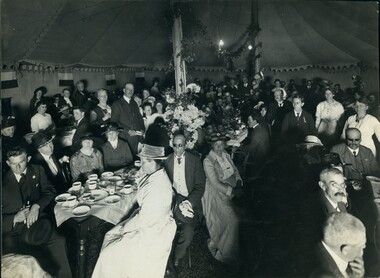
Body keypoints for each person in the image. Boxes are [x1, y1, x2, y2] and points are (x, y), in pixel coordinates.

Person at [92, 144, 176, 278]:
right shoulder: (158, 174)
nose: (141, 165)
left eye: (143, 162)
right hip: (152, 223)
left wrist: (124, 228)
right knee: (110, 234)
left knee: (108, 253)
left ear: (154, 162)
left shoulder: (157, 186)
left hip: (152, 233)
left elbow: (144, 220)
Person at [2, 146, 72, 278]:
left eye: (21, 162)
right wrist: (14, 218)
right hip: (13, 233)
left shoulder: (37, 170)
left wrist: (37, 206)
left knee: (59, 241)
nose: (17, 167)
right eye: (13, 164)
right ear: (7, 163)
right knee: (24, 262)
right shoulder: (3, 183)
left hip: (37, 225)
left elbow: (50, 191)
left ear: (28, 159)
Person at [164, 134, 206, 266]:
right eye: (175, 145)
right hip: (173, 201)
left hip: (190, 202)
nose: (177, 149)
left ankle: (176, 257)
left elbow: (200, 186)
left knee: (187, 233)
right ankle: (162, 257)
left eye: (180, 145)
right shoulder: (167, 160)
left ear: (186, 145)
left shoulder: (195, 160)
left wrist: (189, 202)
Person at [202, 132, 243, 265]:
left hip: (232, 187)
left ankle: (234, 243)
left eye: (221, 145)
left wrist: (238, 181)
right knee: (232, 219)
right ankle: (226, 252)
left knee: (243, 212)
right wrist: (233, 192)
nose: (220, 148)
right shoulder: (208, 160)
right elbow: (215, 183)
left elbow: (235, 170)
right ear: (212, 146)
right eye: (217, 145)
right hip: (216, 192)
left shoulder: (225, 155)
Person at [310, 212, 366, 278]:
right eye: (361, 248)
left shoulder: (324, 250)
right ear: (345, 250)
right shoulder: (325, 275)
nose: (361, 253)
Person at [111, 83, 145, 155]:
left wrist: (142, 129)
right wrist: (128, 131)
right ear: (124, 90)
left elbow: (140, 119)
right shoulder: (117, 104)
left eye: (132, 89)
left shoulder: (134, 103)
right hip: (125, 138)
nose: (130, 91)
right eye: (128, 89)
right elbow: (114, 122)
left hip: (138, 138)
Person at [240, 110, 271, 177]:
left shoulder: (257, 132)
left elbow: (250, 148)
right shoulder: (260, 127)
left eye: (249, 120)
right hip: (265, 152)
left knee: (239, 155)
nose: (248, 122)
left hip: (259, 157)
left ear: (255, 121)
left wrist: (240, 147)